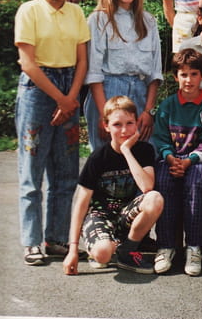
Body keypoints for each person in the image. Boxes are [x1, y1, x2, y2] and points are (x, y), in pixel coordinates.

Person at [14, 0, 90, 266]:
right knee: (32, 171)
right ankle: (32, 242)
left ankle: (57, 238)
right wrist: (61, 99)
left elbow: (82, 61)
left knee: (66, 172)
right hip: (38, 91)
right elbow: (27, 63)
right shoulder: (29, 11)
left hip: (69, 87)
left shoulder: (76, 12)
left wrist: (71, 98)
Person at [63, 96, 163, 275]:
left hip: (125, 215)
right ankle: (100, 246)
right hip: (100, 216)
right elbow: (81, 204)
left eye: (130, 123)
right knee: (103, 255)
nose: (124, 130)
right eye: (117, 124)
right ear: (106, 126)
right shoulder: (98, 158)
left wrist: (126, 151)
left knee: (155, 198)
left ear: (137, 123)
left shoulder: (144, 150)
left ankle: (127, 250)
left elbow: (147, 187)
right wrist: (73, 250)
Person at [152, 49, 202, 276]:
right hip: (170, 159)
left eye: (193, 74)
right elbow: (161, 138)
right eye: (183, 75)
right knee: (163, 183)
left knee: (196, 185)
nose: (188, 80)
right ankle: (166, 246)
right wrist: (171, 158)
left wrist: (188, 161)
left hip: (196, 160)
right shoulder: (167, 105)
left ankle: (194, 247)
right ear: (175, 77)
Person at [84, 0, 162, 151]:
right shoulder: (99, 20)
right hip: (108, 94)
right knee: (107, 156)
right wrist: (105, 115)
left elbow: (155, 73)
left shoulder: (148, 21)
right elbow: (93, 72)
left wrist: (148, 111)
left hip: (140, 95)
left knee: (143, 154)